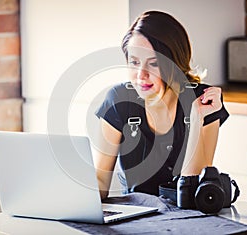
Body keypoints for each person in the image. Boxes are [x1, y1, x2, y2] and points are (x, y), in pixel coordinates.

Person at [93, 10, 229, 199]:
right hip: (136, 218)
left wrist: (197, 117)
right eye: (134, 62)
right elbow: (100, 180)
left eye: (153, 64)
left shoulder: (202, 100)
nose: (141, 74)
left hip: (187, 217)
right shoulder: (118, 99)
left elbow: (193, 187)